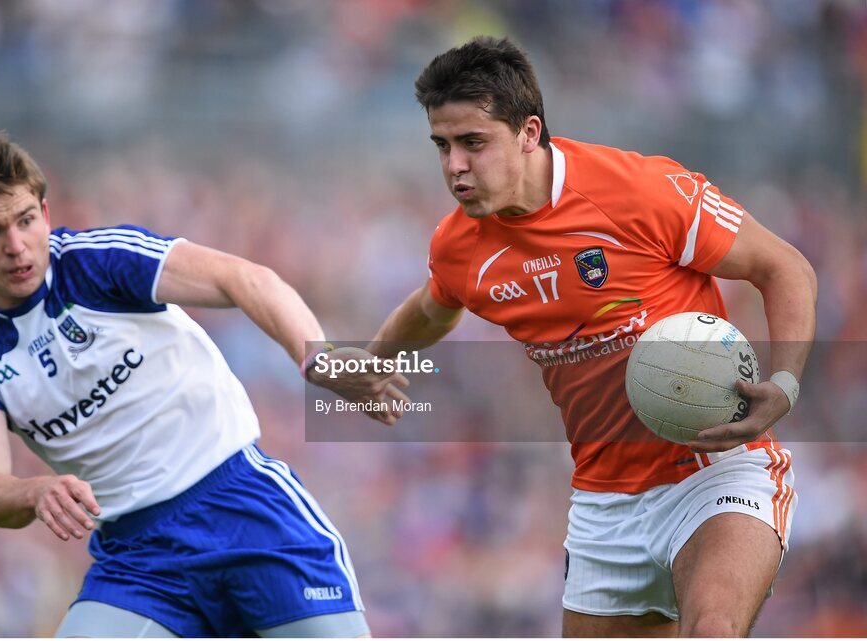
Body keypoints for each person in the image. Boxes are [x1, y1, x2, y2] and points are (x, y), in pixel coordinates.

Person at [343, 37, 817, 637]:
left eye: (473, 143)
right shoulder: (460, 245)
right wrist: (364, 363)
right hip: (605, 504)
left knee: (713, 627)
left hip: (715, 470)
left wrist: (785, 383)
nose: (454, 165)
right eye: (442, 145)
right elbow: (433, 309)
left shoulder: (639, 190)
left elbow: (786, 269)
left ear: (528, 131)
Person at [0, 130, 381, 638]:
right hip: (138, 561)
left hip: (245, 508)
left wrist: (317, 360)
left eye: (25, 220)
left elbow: (247, 280)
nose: (16, 247)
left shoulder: (98, 263)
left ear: (46, 214)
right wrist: (33, 491)